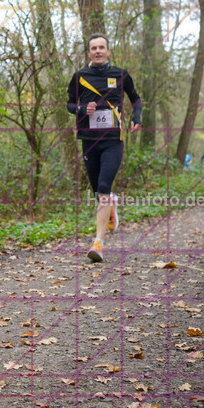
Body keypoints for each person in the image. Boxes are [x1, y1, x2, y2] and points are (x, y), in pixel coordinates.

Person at [67, 34, 143, 263]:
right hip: (89, 140)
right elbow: (70, 103)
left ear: (108, 51)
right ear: (88, 53)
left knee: (103, 187)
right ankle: (111, 204)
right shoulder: (80, 76)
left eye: (102, 47)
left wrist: (137, 117)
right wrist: (81, 109)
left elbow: (135, 98)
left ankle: (98, 242)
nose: (98, 51)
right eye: (93, 48)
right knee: (98, 193)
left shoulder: (121, 74)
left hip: (113, 139)